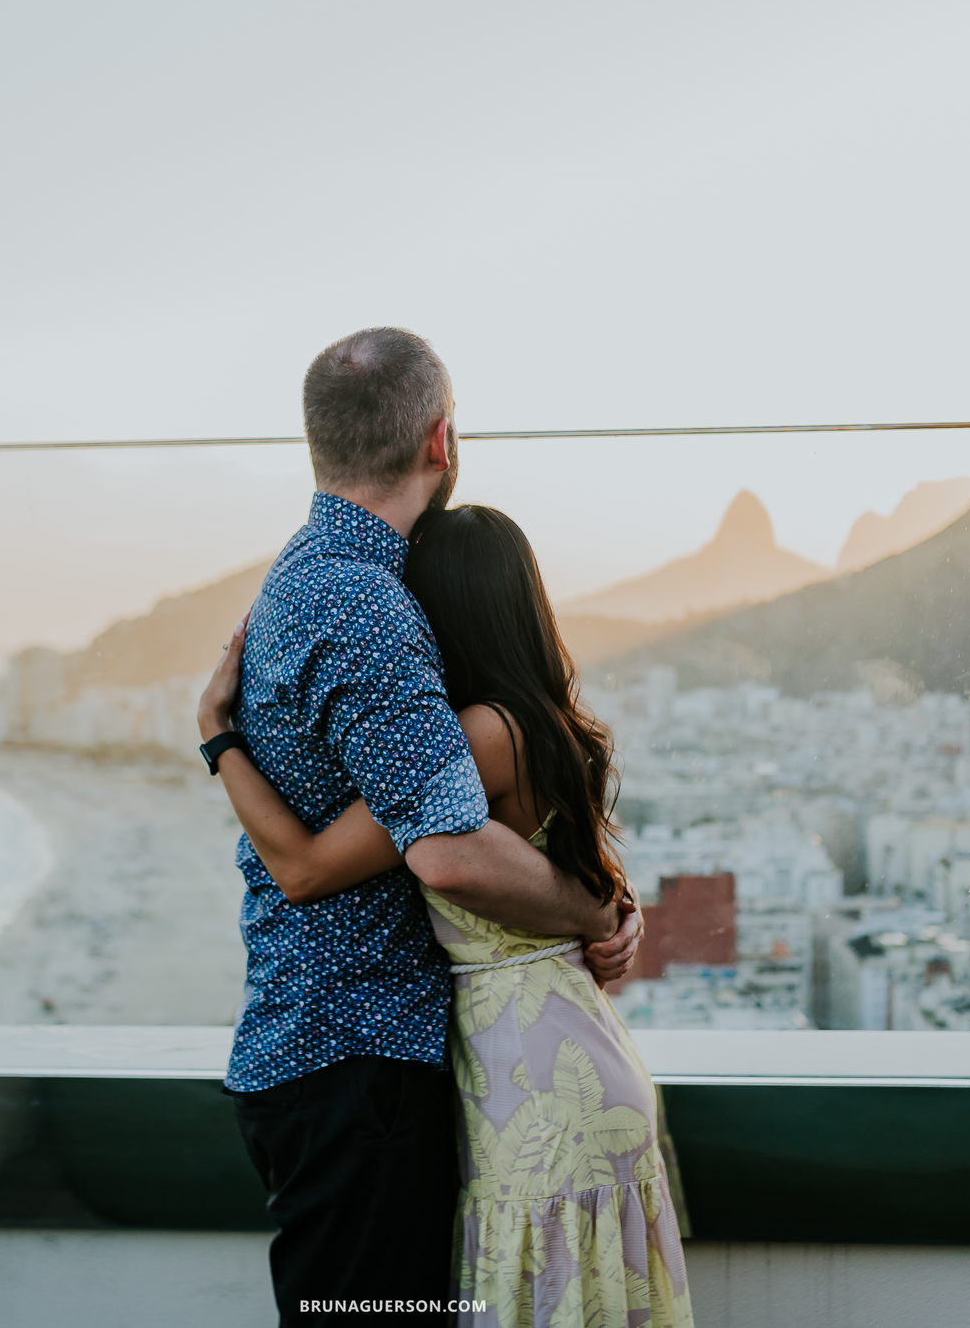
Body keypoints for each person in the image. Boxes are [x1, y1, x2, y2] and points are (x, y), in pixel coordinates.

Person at [199, 326, 646, 1323]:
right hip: (354, 1065)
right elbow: (445, 853)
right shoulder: (365, 604)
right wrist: (596, 910)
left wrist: (214, 741)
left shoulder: (303, 575)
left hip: (322, 1053)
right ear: (442, 440)